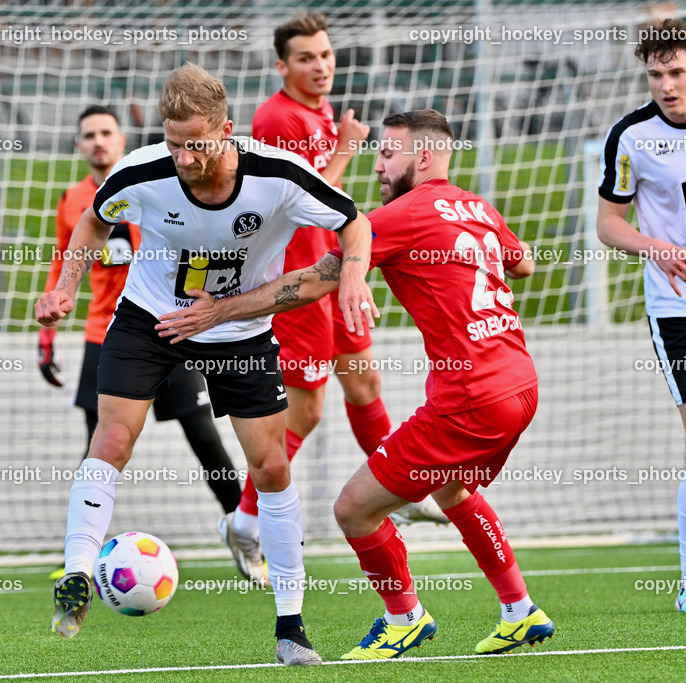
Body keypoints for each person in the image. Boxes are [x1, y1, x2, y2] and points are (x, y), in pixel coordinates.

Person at [158, 110, 555, 659]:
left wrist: (219, 311)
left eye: (388, 154)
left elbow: (305, 285)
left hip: (471, 398)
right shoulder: (478, 207)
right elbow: (525, 264)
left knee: (353, 510)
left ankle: (404, 617)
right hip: (520, 384)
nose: (379, 168)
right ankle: (519, 609)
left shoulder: (398, 216)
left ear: (422, 156)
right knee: (452, 487)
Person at [36, 63, 377, 666]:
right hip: (152, 319)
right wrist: (66, 285)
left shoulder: (279, 177)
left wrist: (351, 273)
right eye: (173, 143)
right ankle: (77, 576)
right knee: (111, 438)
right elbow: (94, 219)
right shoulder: (141, 171)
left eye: (196, 144)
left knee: (270, 467)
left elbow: (355, 223)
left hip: (241, 328)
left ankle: (292, 629)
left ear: (226, 130)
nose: (184, 158)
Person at [218, 11, 446, 588]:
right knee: (309, 408)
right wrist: (346, 149)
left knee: (365, 383)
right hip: (297, 280)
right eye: (306, 58)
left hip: (335, 269)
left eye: (325, 55)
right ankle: (244, 521)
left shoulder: (318, 113)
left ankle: (397, 489)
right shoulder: (276, 116)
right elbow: (291, 197)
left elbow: (332, 199)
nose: (320, 66)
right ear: (282, 66)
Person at [39, 104, 242, 520]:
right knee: (98, 444)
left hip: (168, 328)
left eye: (105, 134)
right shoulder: (73, 201)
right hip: (106, 334)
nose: (98, 142)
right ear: (79, 146)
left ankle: (246, 532)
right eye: (89, 135)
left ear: (122, 141)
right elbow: (64, 260)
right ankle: (82, 550)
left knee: (204, 436)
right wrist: (48, 332)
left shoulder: (156, 187)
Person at [596, 18, 686, 613]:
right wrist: (659, 248)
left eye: (677, 72)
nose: (667, 86)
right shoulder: (632, 136)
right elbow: (608, 224)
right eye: (655, 75)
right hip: (683, 311)